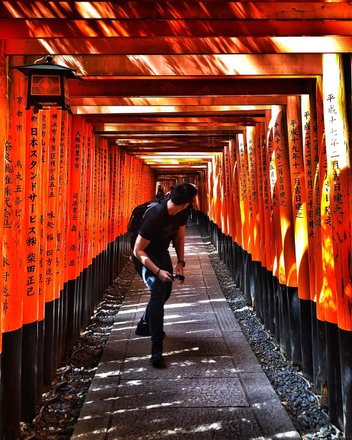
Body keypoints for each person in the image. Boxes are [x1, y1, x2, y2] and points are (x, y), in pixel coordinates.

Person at [132, 183, 198, 368]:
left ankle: (145, 323)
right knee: (157, 290)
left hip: (161, 252)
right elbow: (138, 250)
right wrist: (157, 271)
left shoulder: (182, 212)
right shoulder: (155, 215)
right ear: (187, 203)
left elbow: (179, 237)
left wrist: (180, 262)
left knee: (166, 290)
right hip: (144, 255)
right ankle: (156, 350)